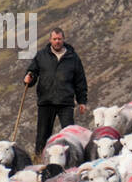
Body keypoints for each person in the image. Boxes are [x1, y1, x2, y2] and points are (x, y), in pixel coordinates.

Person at [23, 27, 88, 155]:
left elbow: (80, 81)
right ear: (50, 40)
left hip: (65, 102)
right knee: (42, 135)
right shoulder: (41, 55)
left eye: (59, 39)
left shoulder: (73, 57)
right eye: (54, 39)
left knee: (69, 134)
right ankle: (39, 159)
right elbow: (33, 72)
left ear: (63, 39)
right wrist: (28, 78)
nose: (57, 41)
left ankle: (72, 157)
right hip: (46, 101)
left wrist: (82, 101)